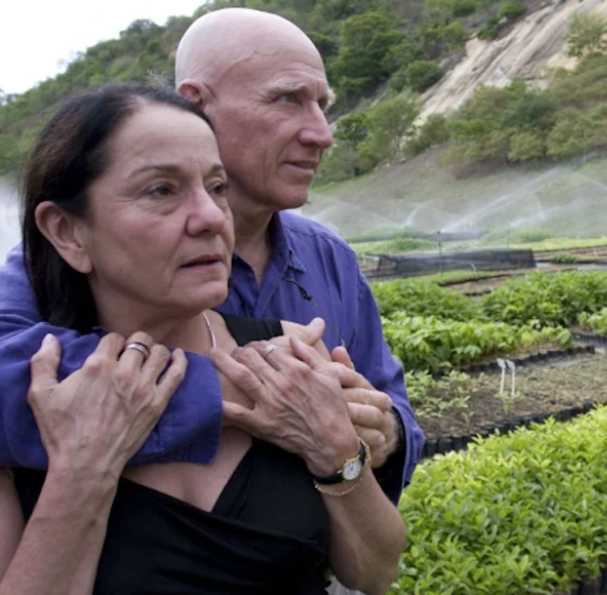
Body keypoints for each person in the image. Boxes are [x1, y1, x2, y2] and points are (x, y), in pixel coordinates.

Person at [0, 8, 423, 505]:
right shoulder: (72, 257)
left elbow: (393, 407)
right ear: (196, 104)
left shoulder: (331, 259)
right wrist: (241, 388)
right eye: (287, 99)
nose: (321, 133)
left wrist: (384, 431)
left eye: (321, 104)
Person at [0, 84, 406, 595]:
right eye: (161, 191)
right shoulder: (32, 405)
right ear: (67, 231)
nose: (213, 217)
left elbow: (375, 572)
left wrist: (337, 452)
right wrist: (83, 476)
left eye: (217, 188)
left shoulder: (290, 355)